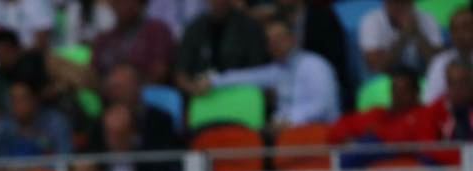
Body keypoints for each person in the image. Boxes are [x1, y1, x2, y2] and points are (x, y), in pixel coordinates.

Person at [193, 17, 340, 128]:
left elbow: (323, 105)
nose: (274, 44)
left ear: (292, 39)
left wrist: (289, 119)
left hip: (322, 135)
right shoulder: (277, 70)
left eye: (279, 38)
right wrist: (213, 81)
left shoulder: (314, 64)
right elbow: (246, 77)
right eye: (270, 40)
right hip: (290, 137)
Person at [174, 0, 268, 92]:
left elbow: (258, 71)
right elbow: (181, 73)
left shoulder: (249, 27)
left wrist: (223, 82)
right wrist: (194, 88)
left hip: (241, 91)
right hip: (203, 94)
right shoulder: (195, 29)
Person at [328, 69, 441, 145]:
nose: (397, 96)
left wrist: (378, 132)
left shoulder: (425, 115)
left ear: (416, 93)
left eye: (403, 91)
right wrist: (350, 141)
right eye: (395, 90)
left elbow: (404, 139)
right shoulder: (379, 114)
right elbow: (339, 127)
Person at [91, 0, 177, 85]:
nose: (119, 6)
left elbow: (160, 71)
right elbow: (94, 72)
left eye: (124, 2)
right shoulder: (103, 39)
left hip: (147, 90)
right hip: (106, 89)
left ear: (139, 4)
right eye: (117, 2)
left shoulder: (157, 31)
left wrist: (131, 82)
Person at [0, 80, 72, 158]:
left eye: (22, 99)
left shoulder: (55, 122)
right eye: (13, 100)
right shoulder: (1, 126)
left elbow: (65, 158)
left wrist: (32, 170)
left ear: (35, 100)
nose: (17, 105)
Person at [359, 0, 443, 77]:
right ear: (386, 3)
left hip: (420, 77)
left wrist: (417, 34)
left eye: (404, 2)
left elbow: (438, 63)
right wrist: (403, 36)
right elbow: (377, 66)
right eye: (396, 2)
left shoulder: (427, 19)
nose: (400, 7)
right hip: (386, 80)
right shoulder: (371, 21)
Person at [424, 8, 473, 102]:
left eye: (466, 27)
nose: (460, 33)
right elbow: (431, 100)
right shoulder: (440, 62)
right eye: (455, 29)